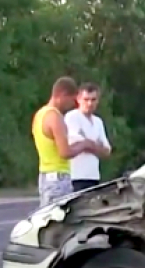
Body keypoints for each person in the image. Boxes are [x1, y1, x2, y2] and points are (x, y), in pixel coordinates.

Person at [31, 76, 96, 207]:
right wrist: (83, 145)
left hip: (45, 175)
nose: (72, 105)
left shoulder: (40, 115)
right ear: (63, 95)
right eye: (71, 100)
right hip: (58, 176)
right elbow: (64, 152)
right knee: (61, 220)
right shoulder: (55, 117)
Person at [64, 82, 112, 192]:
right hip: (76, 177)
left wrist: (87, 144)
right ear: (78, 99)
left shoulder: (98, 122)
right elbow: (73, 143)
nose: (90, 103)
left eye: (93, 100)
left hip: (93, 176)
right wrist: (93, 145)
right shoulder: (72, 117)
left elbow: (107, 151)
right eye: (86, 99)